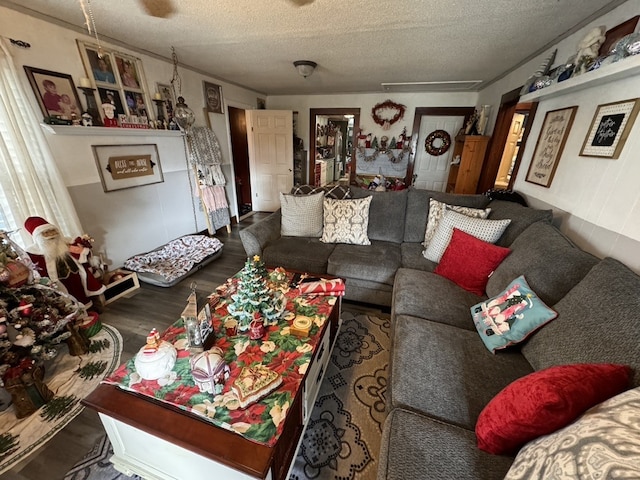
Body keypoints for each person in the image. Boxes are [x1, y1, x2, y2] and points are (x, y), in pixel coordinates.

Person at [24, 216, 105, 307]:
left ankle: (90, 309)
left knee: (81, 293)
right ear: (38, 236)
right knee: (68, 299)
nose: (51, 234)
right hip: (58, 282)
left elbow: (83, 253)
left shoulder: (67, 242)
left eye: (53, 231)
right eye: (46, 233)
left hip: (76, 275)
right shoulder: (33, 252)